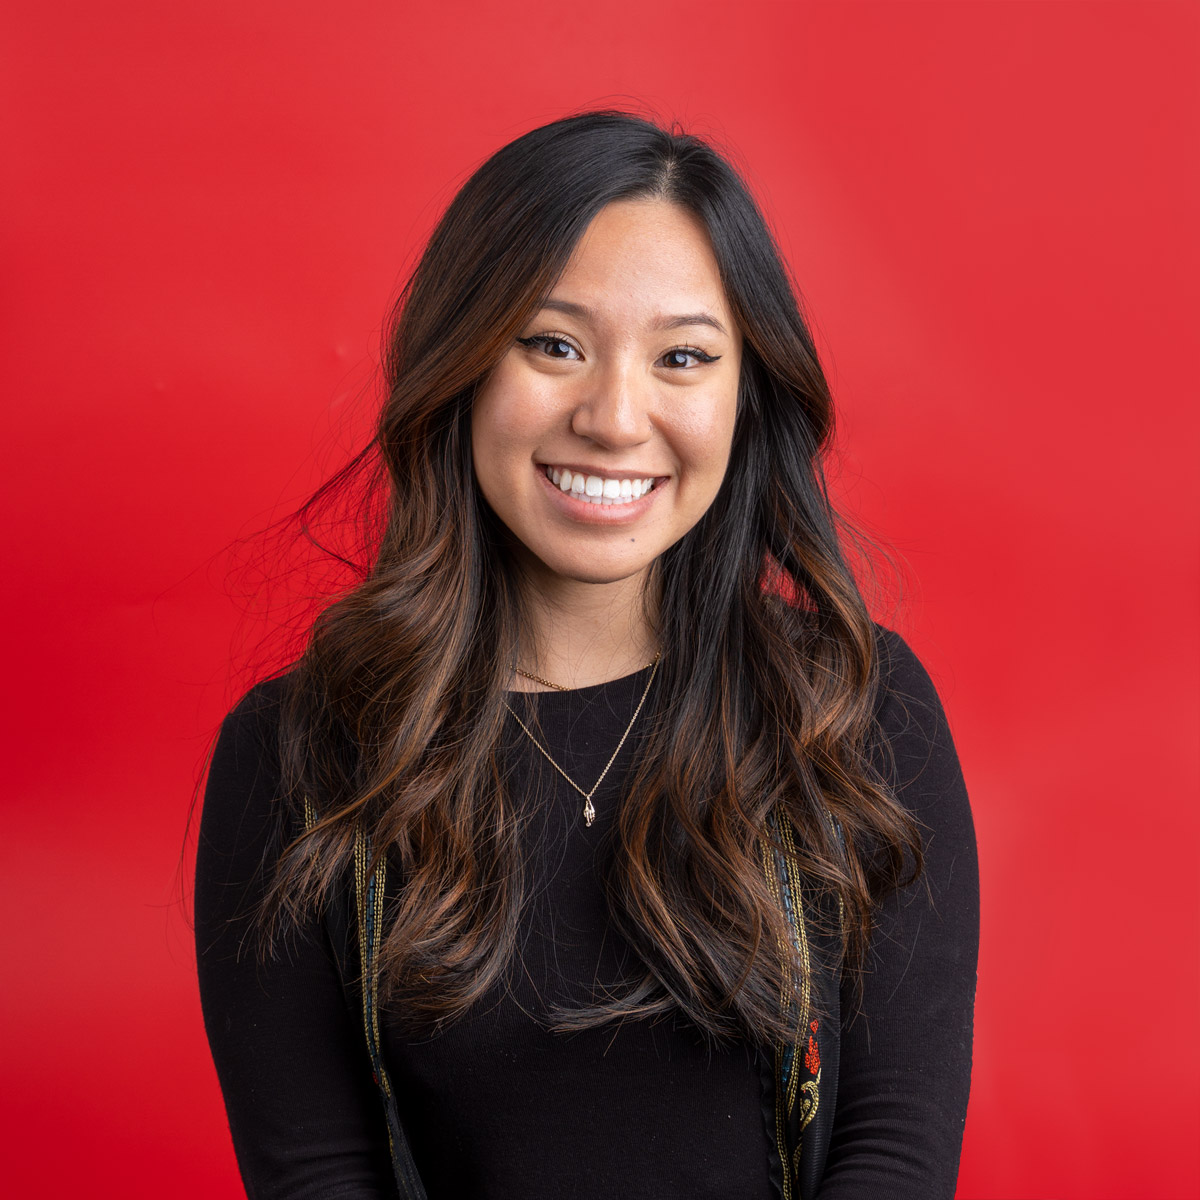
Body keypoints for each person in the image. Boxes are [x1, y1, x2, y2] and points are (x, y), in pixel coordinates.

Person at [194, 111, 979, 1200]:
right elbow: (316, 1176)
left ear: (745, 394)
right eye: (554, 344)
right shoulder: (302, 760)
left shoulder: (852, 715)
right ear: (462, 363)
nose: (615, 418)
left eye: (684, 357)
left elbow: (894, 1153)